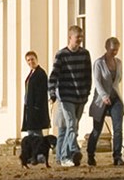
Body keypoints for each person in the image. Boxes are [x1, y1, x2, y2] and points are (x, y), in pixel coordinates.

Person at [52, 27, 93, 166]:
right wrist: (52, 92)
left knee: (75, 127)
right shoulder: (61, 55)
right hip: (66, 96)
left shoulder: (85, 54)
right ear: (70, 38)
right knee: (71, 125)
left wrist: (87, 92)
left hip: (80, 96)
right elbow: (54, 75)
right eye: (77, 37)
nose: (80, 40)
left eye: (81, 37)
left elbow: (88, 75)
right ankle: (68, 155)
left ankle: (65, 155)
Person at [87, 37, 124, 166]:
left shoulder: (119, 63)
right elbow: (97, 82)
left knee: (118, 128)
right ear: (106, 48)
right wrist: (104, 95)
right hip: (101, 99)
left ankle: (117, 156)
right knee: (97, 130)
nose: (114, 52)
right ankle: (90, 154)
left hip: (115, 98)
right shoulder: (99, 63)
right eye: (112, 50)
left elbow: (117, 80)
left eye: (116, 50)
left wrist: (112, 92)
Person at [23, 51, 51, 138]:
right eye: (28, 60)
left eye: (32, 59)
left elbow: (41, 92)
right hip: (29, 107)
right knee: (31, 132)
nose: (31, 62)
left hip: (36, 108)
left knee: (36, 132)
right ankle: (34, 149)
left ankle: (39, 150)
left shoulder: (41, 73)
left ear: (36, 59)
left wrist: (36, 106)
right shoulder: (32, 73)